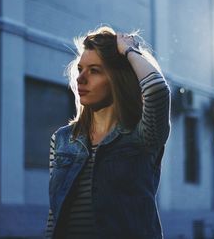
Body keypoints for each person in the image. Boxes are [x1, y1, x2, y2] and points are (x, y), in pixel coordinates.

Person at [45, 26, 170, 239]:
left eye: (94, 70)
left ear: (117, 80)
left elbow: (157, 88)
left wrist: (129, 51)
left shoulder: (143, 135)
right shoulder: (63, 139)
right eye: (80, 69)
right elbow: (54, 214)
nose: (80, 79)